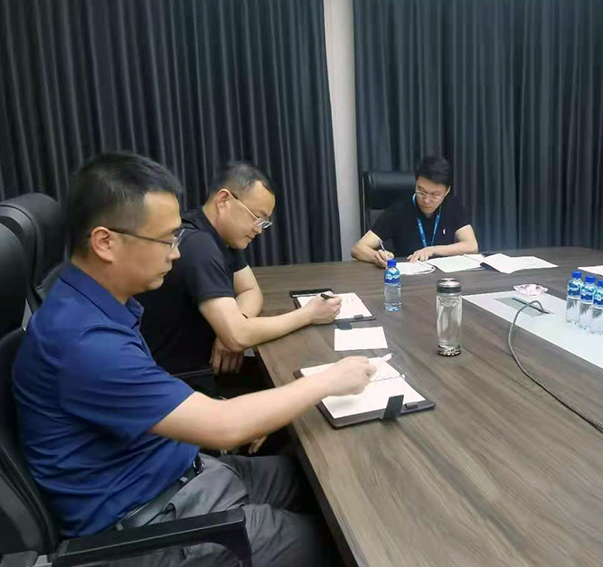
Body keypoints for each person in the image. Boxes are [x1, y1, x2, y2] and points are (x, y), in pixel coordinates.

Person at [13, 152, 374, 566]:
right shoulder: (83, 342)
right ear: (105, 242)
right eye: (167, 240)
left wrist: (231, 415)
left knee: (334, 481)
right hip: (155, 524)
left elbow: (153, 403)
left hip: (182, 471)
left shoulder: (93, 303)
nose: (176, 254)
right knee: (345, 542)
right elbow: (224, 427)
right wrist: (329, 379)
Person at [137, 162, 341, 396]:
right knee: (304, 389)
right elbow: (238, 336)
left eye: (264, 222)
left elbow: (250, 291)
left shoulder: (219, 235)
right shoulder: (199, 246)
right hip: (179, 384)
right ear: (224, 200)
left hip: (203, 368)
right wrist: (309, 314)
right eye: (257, 217)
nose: (259, 229)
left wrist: (234, 324)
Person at [351, 156, 479, 267]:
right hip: (409, 277)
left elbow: (472, 246)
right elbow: (358, 249)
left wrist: (432, 250)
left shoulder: (452, 206)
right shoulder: (399, 210)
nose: (426, 200)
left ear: (447, 191)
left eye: (435, 195)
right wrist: (376, 257)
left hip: (444, 276)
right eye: (421, 191)